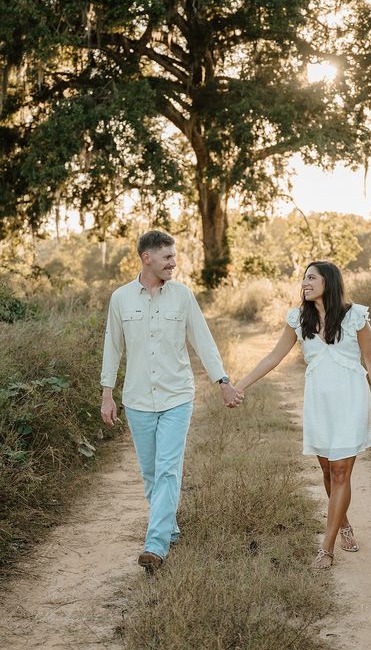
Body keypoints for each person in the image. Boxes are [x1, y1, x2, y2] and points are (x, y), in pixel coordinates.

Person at [100, 230, 243, 572]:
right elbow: (112, 347)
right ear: (146, 258)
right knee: (151, 473)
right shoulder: (121, 299)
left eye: (174, 257)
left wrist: (222, 381)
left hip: (177, 395)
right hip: (137, 399)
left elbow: (203, 341)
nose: (173, 263)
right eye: (166, 257)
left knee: (167, 469)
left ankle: (156, 544)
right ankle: (168, 526)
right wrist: (107, 394)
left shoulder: (182, 297)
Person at [235, 261, 371, 570]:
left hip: (351, 400)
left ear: (328, 281)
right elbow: (274, 357)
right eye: (303, 278)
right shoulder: (297, 319)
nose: (305, 282)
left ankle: (326, 549)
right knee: (329, 472)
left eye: (312, 278)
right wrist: (241, 384)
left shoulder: (356, 316)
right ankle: (342, 524)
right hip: (318, 403)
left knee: (342, 470)